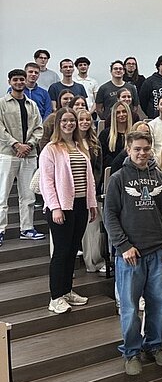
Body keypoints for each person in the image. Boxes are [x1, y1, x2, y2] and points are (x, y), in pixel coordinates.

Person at [104, 131, 162, 375]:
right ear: (128, 149)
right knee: (129, 307)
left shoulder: (160, 178)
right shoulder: (117, 179)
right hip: (130, 256)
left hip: (158, 252)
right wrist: (124, 246)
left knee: (159, 303)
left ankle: (154, 346)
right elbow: (110, 216)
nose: (142, 153)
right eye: (137, 149)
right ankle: (131, 352)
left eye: (146, 148)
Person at [39, 108, 97, 313]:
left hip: (80, 205)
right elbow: (46, 182)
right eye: (64, 120)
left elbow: (88, 178)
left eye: (72, 120)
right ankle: (55, 297)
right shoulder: (51, 149)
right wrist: (55, 207)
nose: (69, 124)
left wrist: (92, 203)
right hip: (61, 207)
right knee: (61, 252)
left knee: (72, 250)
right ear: (58, 124)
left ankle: (67, 291)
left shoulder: (80, 146)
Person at [0, 69, 44, 247]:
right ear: (10, 81)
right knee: (2, 195)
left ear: (26, 82)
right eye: (15, 79)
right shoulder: (2, 104)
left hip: (29, 154)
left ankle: (27, 228)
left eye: (21, 79)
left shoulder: (31, 105)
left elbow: (39, 128)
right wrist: (16, 145)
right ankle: (0, 230)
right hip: (8, 154)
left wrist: (29, 145)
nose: (19, 82)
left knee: (28, 195)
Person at [77, 109, 104, 273]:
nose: (85, 122)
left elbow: (98, 168)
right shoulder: (70, 143)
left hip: (92, 190)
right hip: (74, 192)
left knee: (93, 229)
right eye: (81, 120)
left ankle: (94, 262)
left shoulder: (94, 142)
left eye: (88, 119)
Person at [99, 101, 132, 169]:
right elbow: (102, 157)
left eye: (124, 111)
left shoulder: (134, 134)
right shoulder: (105, 134)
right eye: (118, 112)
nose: (121, 114)